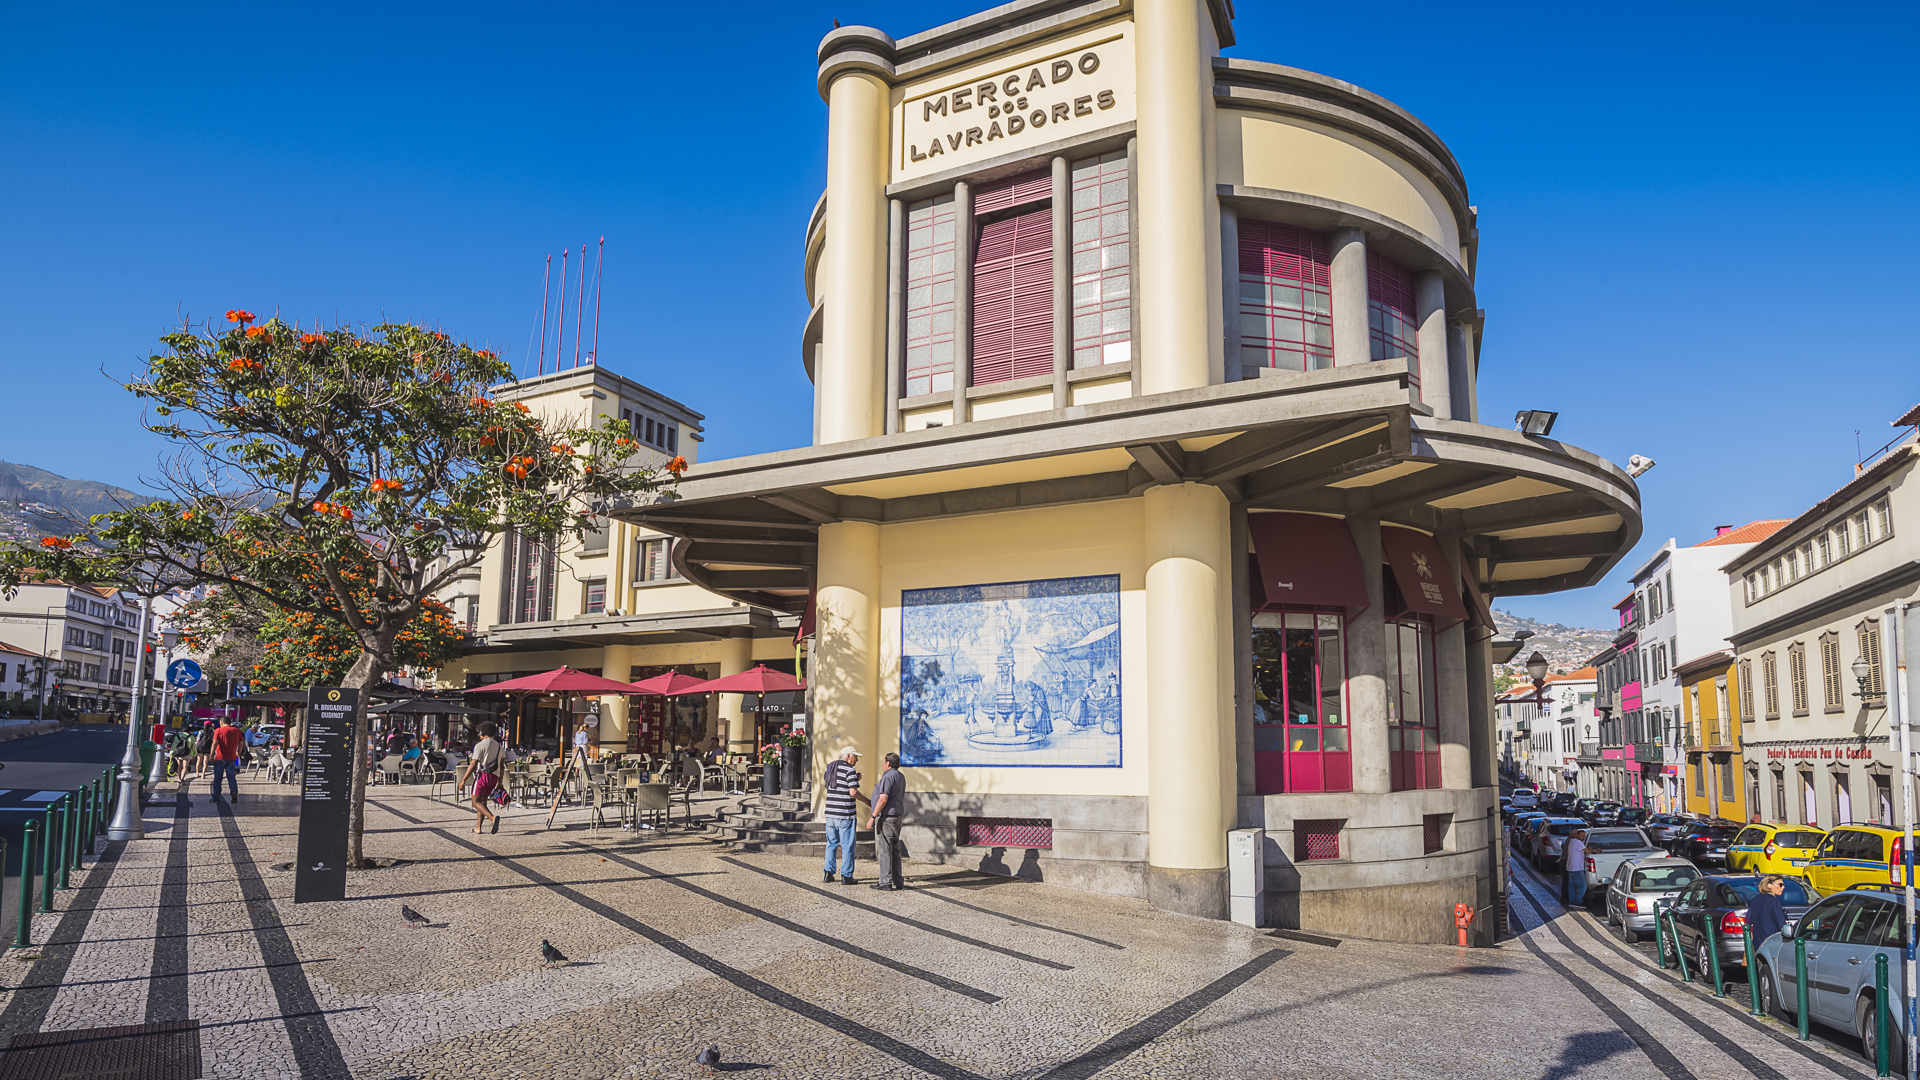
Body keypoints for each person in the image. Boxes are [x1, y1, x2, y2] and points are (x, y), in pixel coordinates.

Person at [821, 748, 868, 885]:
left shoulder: (830, 767)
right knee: (847, 846)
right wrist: (867, 801)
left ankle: (828, 873)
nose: (857, 760)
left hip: (830, 814)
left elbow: (837, 785)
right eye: (855, 757)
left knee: (831, 844)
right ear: (848, 756)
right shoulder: (849, 770)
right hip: (845, 814)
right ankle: (846, 876)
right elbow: (852, 792)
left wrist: (855, 778)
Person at [458, 721, 506, 835]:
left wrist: (463, 780)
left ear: (482, 732)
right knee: (482, 802)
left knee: (475, 802)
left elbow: (473, 764)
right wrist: (500, 781)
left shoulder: (480, 745)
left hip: (482, 776)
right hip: (494, 777)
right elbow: (501, 766)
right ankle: (478, 827)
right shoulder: (500, 747)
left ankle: (492, 818)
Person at [868, 752, 907, 891]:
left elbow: (883, 799)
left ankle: (885, 882)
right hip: (897, 817)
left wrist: (872, 817)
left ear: (888, 763)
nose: (883, 764)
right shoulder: (900, 776)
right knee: (895, 850)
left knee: (884, 850)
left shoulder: (888, 776)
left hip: (886, 818)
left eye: (883, 762)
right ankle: (898, 881)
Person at [209, 715, 245, 803]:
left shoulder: (218, 731)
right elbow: (241, 743)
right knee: (231, 777)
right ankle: (233, 792)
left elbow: (214, 743)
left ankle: (216, 797)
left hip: (220, 758)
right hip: (232, 758)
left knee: (218, 778)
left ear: (221, 722)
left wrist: (211, 755)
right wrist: (238, 752)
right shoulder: (237, 731)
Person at [1748, 873, 1789, 946]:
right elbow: (1780, 923)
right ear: (1769, 885)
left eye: (1784, 885)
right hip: (1772, 941)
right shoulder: (1774, 901)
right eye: (1780, 885)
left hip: (1758, 941)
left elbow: (1748, 920)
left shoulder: (1756, 899)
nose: (1783, 887)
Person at [1562, 828, 1589, 908]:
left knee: (1572, 886)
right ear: (1577, 835)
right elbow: (1587, 851)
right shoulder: (1578, 842)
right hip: (1577, 868)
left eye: (1584, 836)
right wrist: (1596, 849)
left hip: (1570, 867)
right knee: (1583, 885)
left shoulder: (1571, 841)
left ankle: (1572, 901)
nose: (1583, 837)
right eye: (1581, 836)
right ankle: (1578, 902)